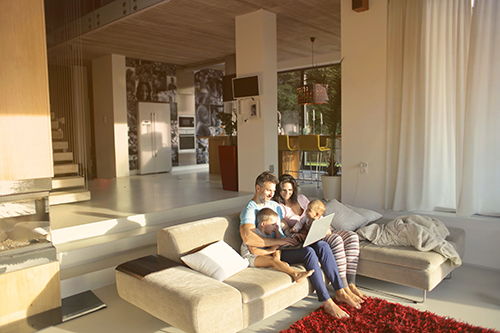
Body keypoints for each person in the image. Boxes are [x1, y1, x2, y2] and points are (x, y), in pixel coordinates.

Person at [240, 171, 360, 319]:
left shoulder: (274, 205)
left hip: (285, 244)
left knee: (322, 246)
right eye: (268, 190)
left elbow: (283, 228)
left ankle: (340, 291)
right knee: (309, 252)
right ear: (258, 188)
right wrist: (282, 241)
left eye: (273, 190)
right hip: (271, 250)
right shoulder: (250, 209)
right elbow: (248, 238)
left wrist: (297, 235)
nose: (271, 194)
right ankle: (326, 301)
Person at [273, 174, 367, 303]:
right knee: (336, 240)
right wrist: (295, 233)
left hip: (319, 230)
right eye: (283, 189)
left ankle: (351, 284)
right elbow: (285, 229)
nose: (287, 193)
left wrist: (325, 226)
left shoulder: (301, 199)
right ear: (278, 189)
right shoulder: (279, 207)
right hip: (307, 236)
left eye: (290, 189)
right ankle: (343, 287)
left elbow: (318, 211)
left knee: (352, 237)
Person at [240, 208, 314, 283]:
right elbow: (254, 251)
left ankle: (279, 262)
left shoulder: (269, 233)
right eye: (273, 224)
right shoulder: (254, 234)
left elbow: (277, 243)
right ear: (263, 224)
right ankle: (296, 274)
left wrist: (277, 232)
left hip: (262, 255)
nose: (275, 226)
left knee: (283, 263)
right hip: (250, 257)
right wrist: (270, 251)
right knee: (273, 261)